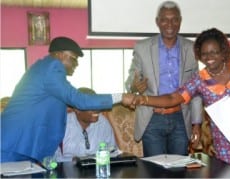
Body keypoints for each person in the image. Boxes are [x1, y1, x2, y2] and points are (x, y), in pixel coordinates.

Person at [132, 27, 230, 169]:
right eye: (204, 54)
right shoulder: (199, 79)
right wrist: (144, 100)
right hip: (224, 144)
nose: (209, 57)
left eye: (214, 52)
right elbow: (173, 98)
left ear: (223, 52)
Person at [1, 36, 134, 163]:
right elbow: (80, 100)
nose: (76, 64)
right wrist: (120, 97)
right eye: (73, 59)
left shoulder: (43, 68)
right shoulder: (53, 67)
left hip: (21, 143)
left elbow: (50, 103)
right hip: (14, 143)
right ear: (60, 55)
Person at [125, 1, 203, 157]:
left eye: (174, 19)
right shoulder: (142, 47)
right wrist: (134, 86)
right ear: (157, 22)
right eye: (164, 19)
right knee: (155, 170)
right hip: (152, 117)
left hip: (181, 117)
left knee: (179, 169)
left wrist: (196, 123)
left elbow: (195, 89)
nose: (170, 24)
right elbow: (131, 81)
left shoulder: (191, 48)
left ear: (180, 21)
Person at [54, 87, 119, 162]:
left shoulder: (103, 123)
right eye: (90, 106)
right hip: (68, 169)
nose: (96, 109)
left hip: (97, 168)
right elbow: (52, 158)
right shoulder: (61, 124)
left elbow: (113, 152)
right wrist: (73, 160)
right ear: (77, 109)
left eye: (97, 104)